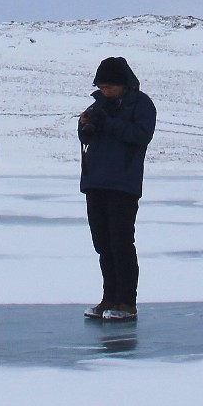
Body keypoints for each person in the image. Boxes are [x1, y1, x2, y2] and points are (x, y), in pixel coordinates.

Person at [76, 56, 155, 322]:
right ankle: (108, 298)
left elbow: (141, 135)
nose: (104, 91)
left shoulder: (141, 105)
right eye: (101, 87)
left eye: (108, 87)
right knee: (103, 244)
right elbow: (86, 136)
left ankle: (127, 302)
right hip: (95, 182)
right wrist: (86, 124)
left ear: (123, 84)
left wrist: (108, 123)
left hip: (123, 183)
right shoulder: (97, 105)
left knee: (121, 242)